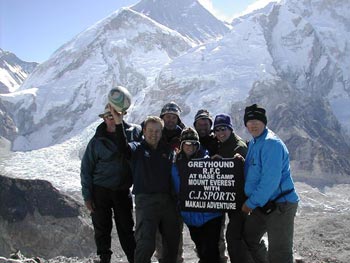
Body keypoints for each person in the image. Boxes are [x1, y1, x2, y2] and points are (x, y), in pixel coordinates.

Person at [111, 108, 181, 263]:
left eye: (157, 131)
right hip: (146, 201)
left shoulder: (167, 151)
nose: (153, 134)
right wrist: (118, 123)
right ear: (144, 131)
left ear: (161, 133)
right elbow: (123, 147)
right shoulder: (137, 148)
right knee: (145, 243)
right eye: (150, 131)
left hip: (168, 201)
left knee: (172, 243)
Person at [80, 105, 141, 263]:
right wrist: (87, 196)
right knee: (102, 227)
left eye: (115, 115)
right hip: (100, 190)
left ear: (122, 115)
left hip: (122, 189)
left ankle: (133, 258)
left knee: (127, 228)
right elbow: (86, 169)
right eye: (109, 116)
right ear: (103, 118)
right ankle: (104, 258)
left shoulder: (133, 133)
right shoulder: (96, 141)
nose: (112, 118)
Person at [242, 104, 299, 263]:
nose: (253, 124)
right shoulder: (255, 142)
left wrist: (250, 203)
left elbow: (270, 181)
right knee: (249, 238)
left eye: (257, 120)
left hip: (280, 204)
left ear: (264, 122)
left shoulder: (271, 143)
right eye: (250, 121)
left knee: (280, 254)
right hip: (264, 204)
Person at [171, 127, 223, 263]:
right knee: (201, 250)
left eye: (193, 143)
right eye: (186, 143)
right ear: (181, 145)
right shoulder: (174, 166)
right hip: (190, 217)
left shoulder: (209, 162)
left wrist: (224, 164)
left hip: (211, 215)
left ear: (198, 145)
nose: (190, 146)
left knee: (210, 252)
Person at [212, 113, 252, 263]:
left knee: (234, 237)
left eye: (223, 129)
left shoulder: (239, 147)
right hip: (229, 200)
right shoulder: (223, 144)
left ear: (230, 129)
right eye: (217, 130)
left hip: (240, 202)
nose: (220, 133)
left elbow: (246, 174)